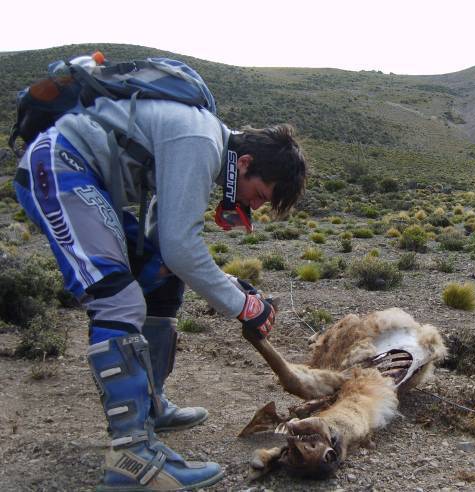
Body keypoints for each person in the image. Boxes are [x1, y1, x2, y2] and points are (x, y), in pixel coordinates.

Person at [13, 94, 307, 490]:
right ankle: (132, 455)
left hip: (82, 175)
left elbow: (165, 245)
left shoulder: (202, 141)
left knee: (164, 278)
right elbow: (181, 247)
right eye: (259, 195)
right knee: (117, 298)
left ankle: (149, 404)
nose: (251, 205)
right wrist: (245, 306)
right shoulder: (202, 142)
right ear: (247, 164)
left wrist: (226, 285)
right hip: (58, 168)